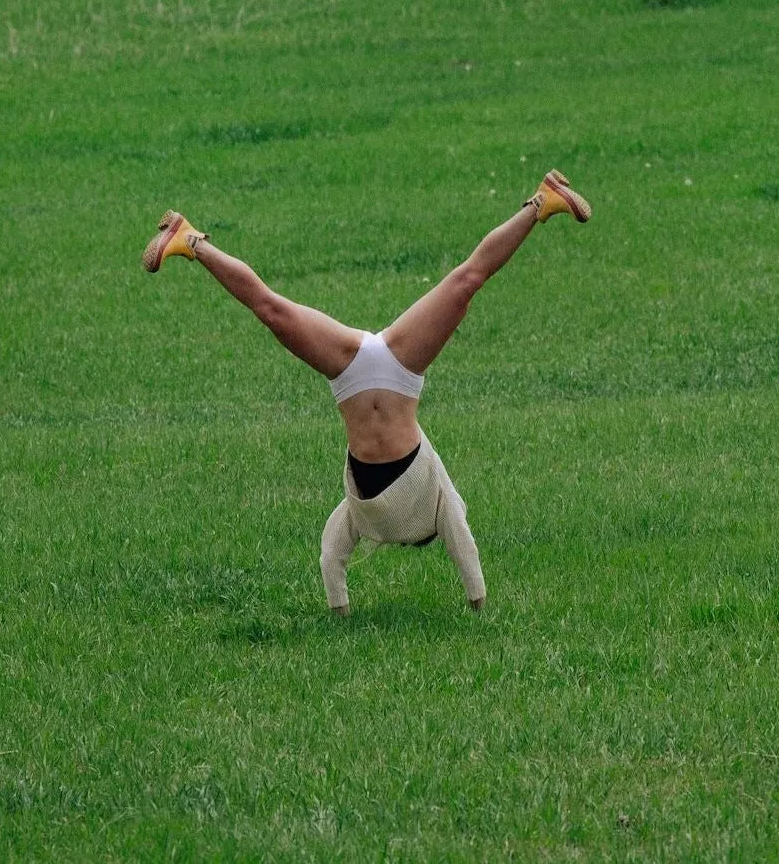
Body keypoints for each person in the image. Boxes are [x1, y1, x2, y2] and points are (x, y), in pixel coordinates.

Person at [142, 169, 591, 615]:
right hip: (400, 367)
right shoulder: (438, 500)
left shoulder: (358, 510)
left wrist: (340, 612)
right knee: (466, 281)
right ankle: (541, 202)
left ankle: (190, 240)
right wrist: (478, 602)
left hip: (349, 374)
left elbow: (330, 555)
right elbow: (463, 545)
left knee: (271, 309)